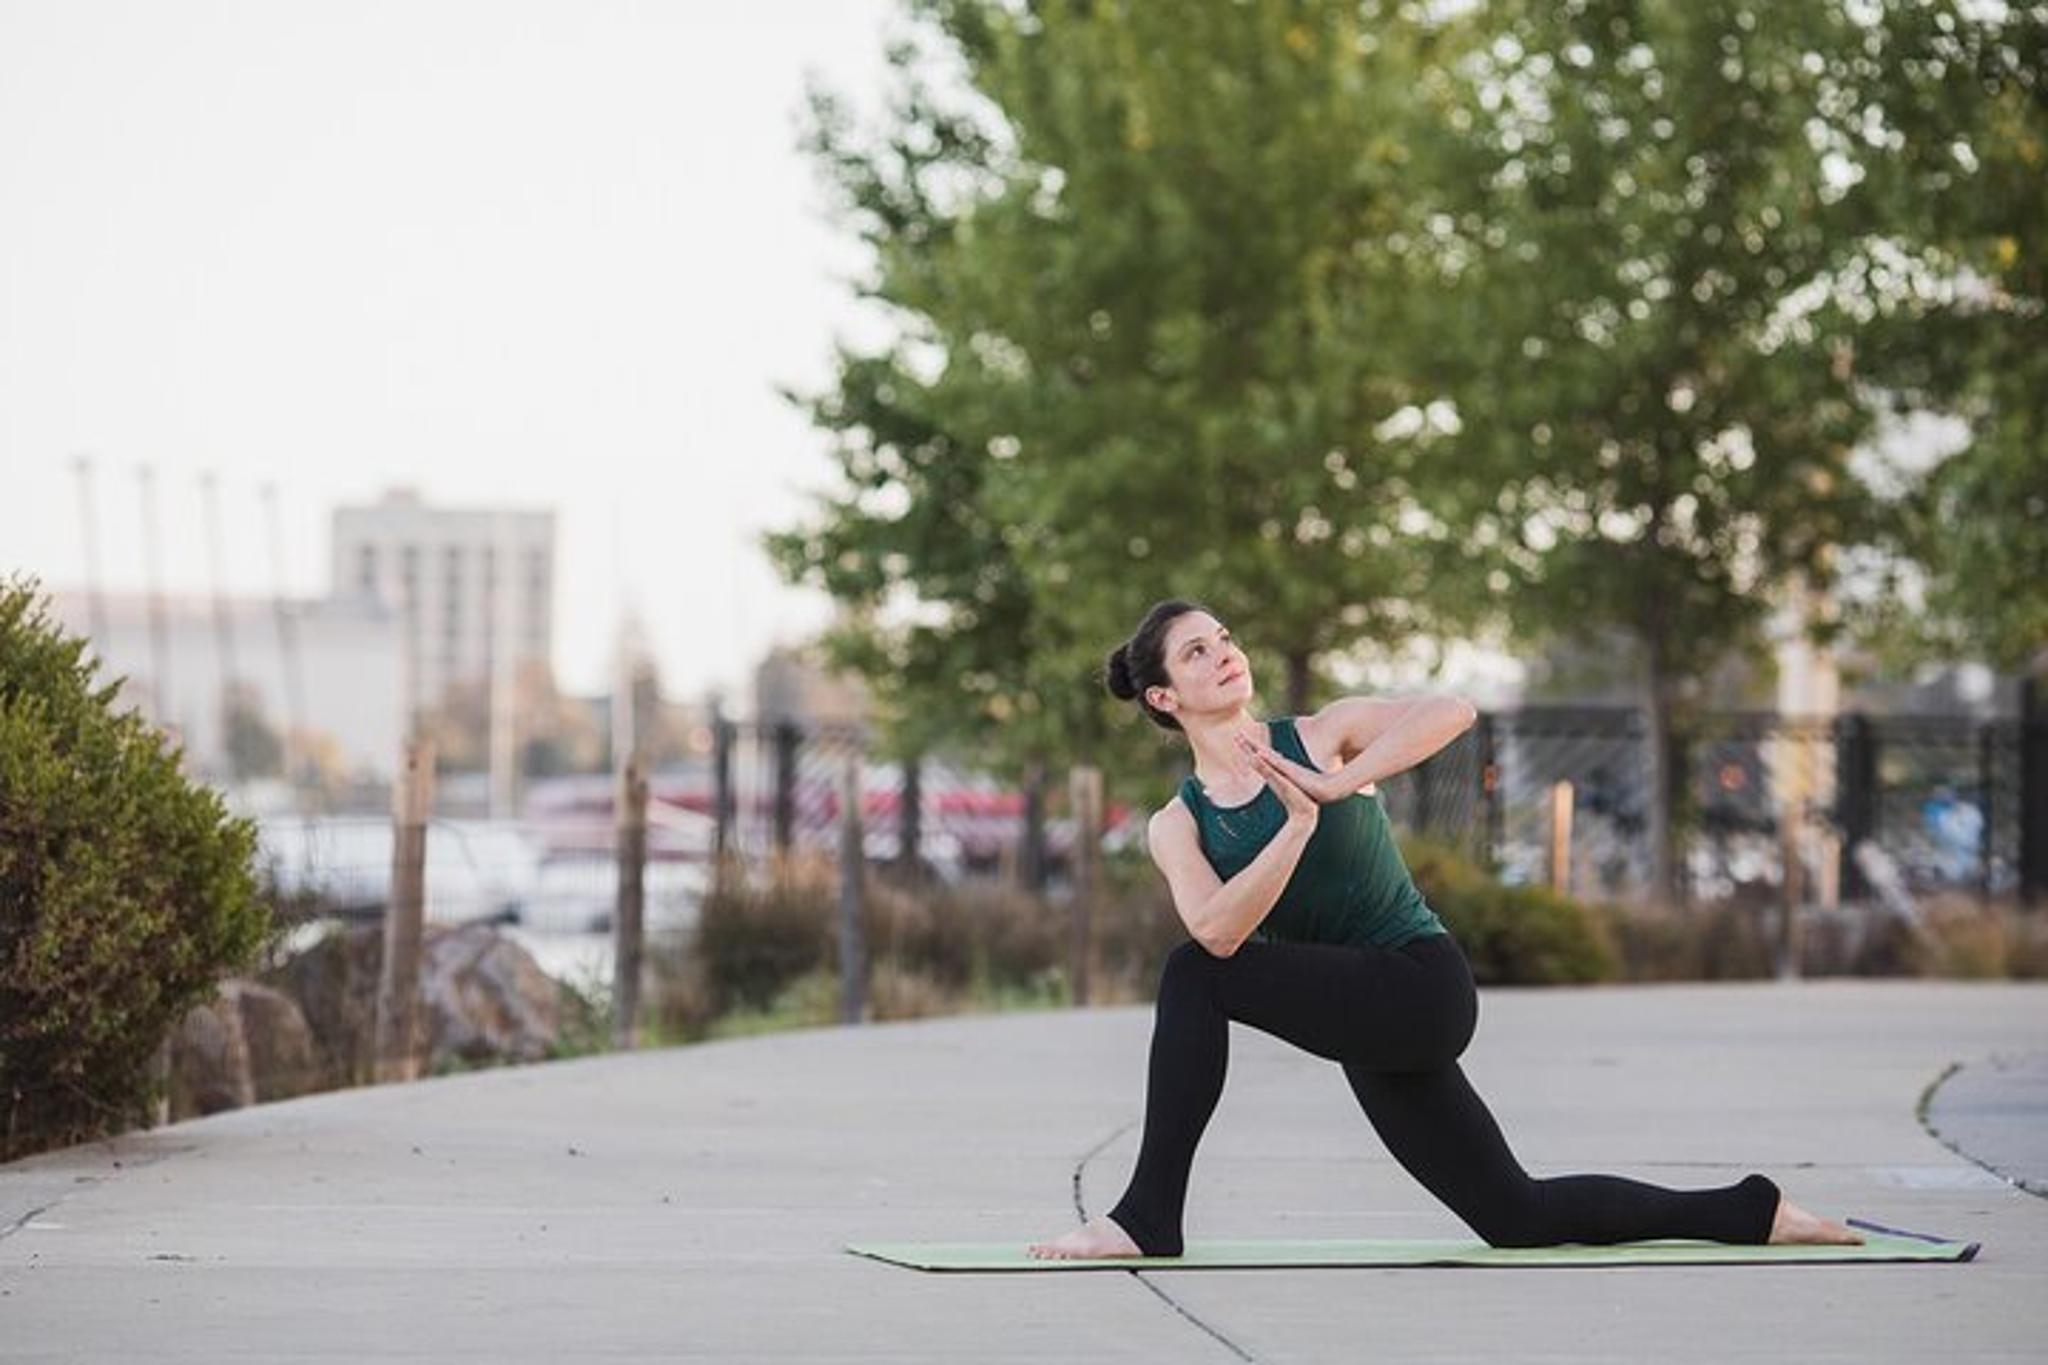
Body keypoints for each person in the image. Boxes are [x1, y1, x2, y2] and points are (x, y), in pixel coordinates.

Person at [1028, 599, 1862, 1260]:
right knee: (1515, 1213)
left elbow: (1452, 710)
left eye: (1224, 637)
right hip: (1364, 1020)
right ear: (1163, 697)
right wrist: (1292, 830)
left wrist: (1334, 782)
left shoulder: (1324, 733)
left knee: (1189, 976)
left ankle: (1146, 1215)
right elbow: (1217, 930)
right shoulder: (1178, 823)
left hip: (1419, 984)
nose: (1224, 652)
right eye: (1197, 651)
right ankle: (1756, 1210)